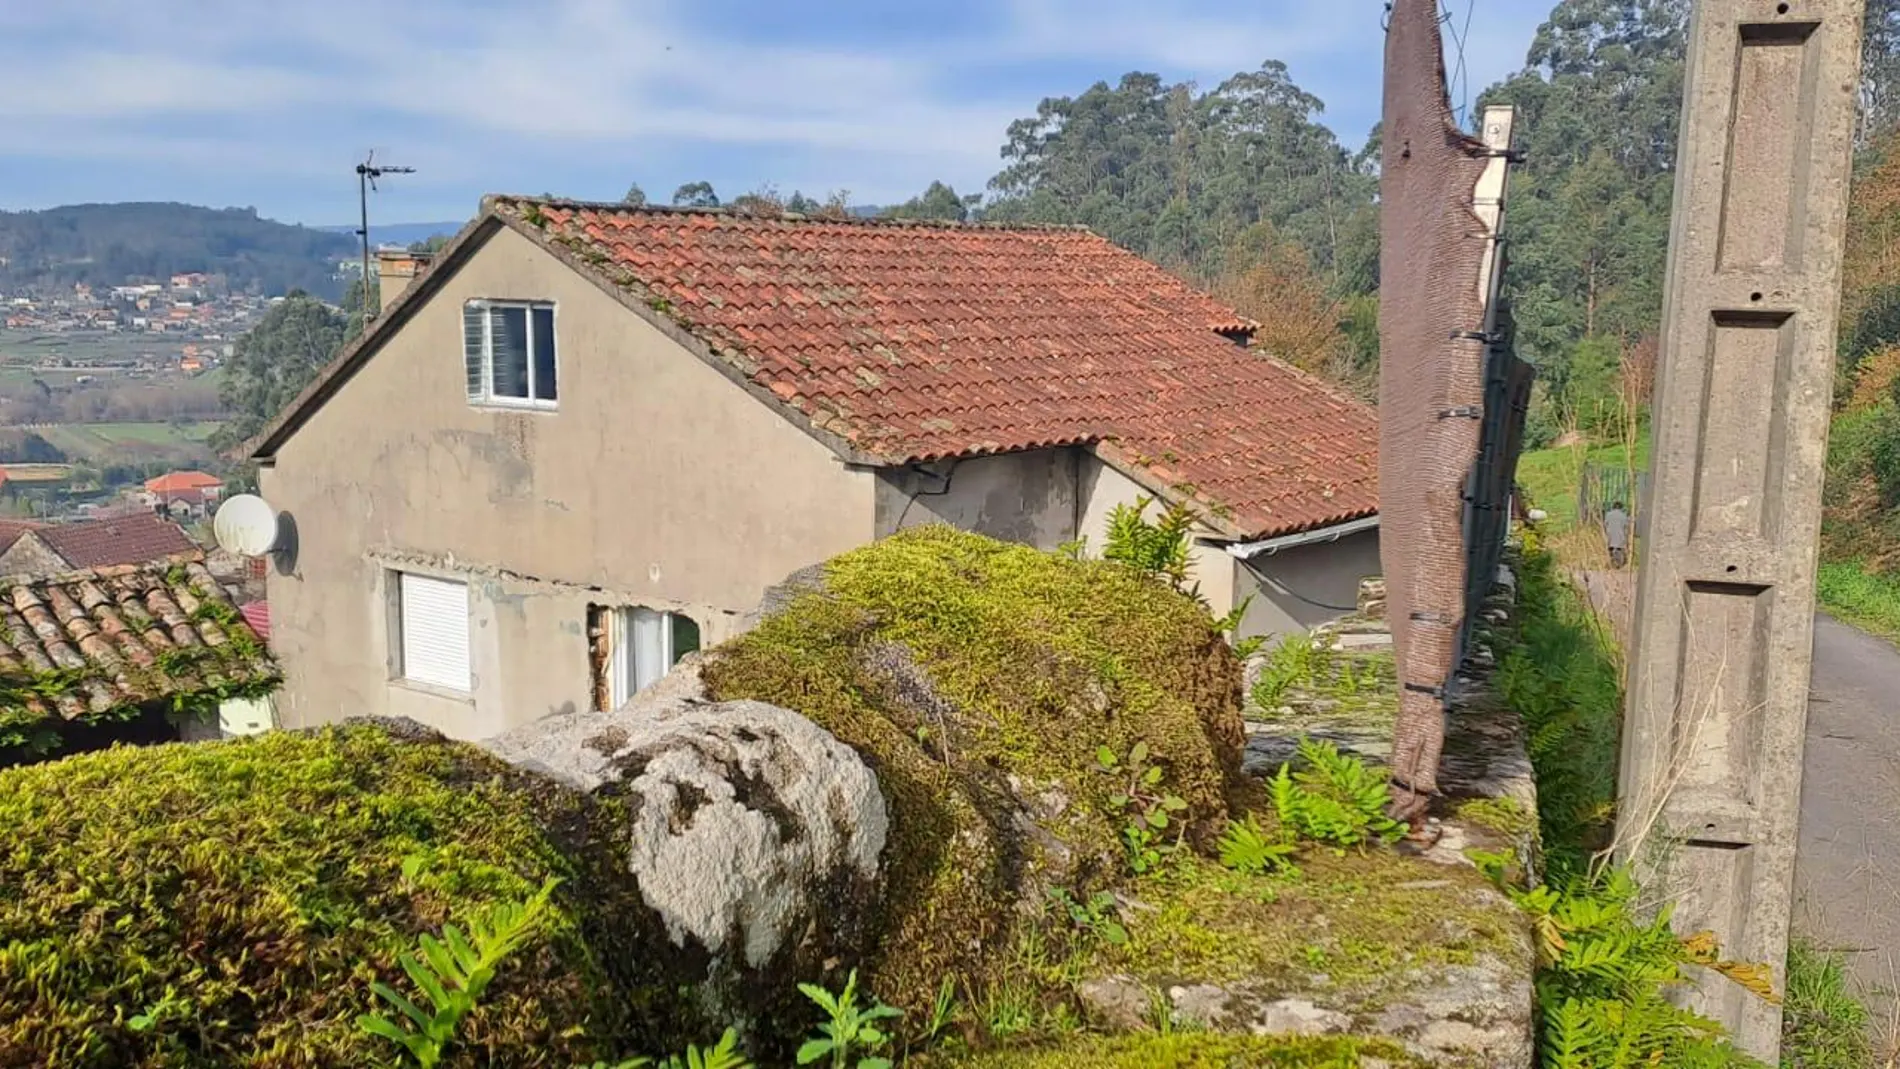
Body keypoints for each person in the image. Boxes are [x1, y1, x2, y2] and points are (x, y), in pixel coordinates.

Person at [1604, 501, 1631, 569]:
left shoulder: (1608, 514)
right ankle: (1619, 564)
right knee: (1619, 549)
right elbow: (1627, 526)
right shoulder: (1623, 515)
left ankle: (1611, 562)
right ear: (1621, 507)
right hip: (1620, 536)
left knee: (1610, 548)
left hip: (1610, 535)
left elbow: (1605, 524)